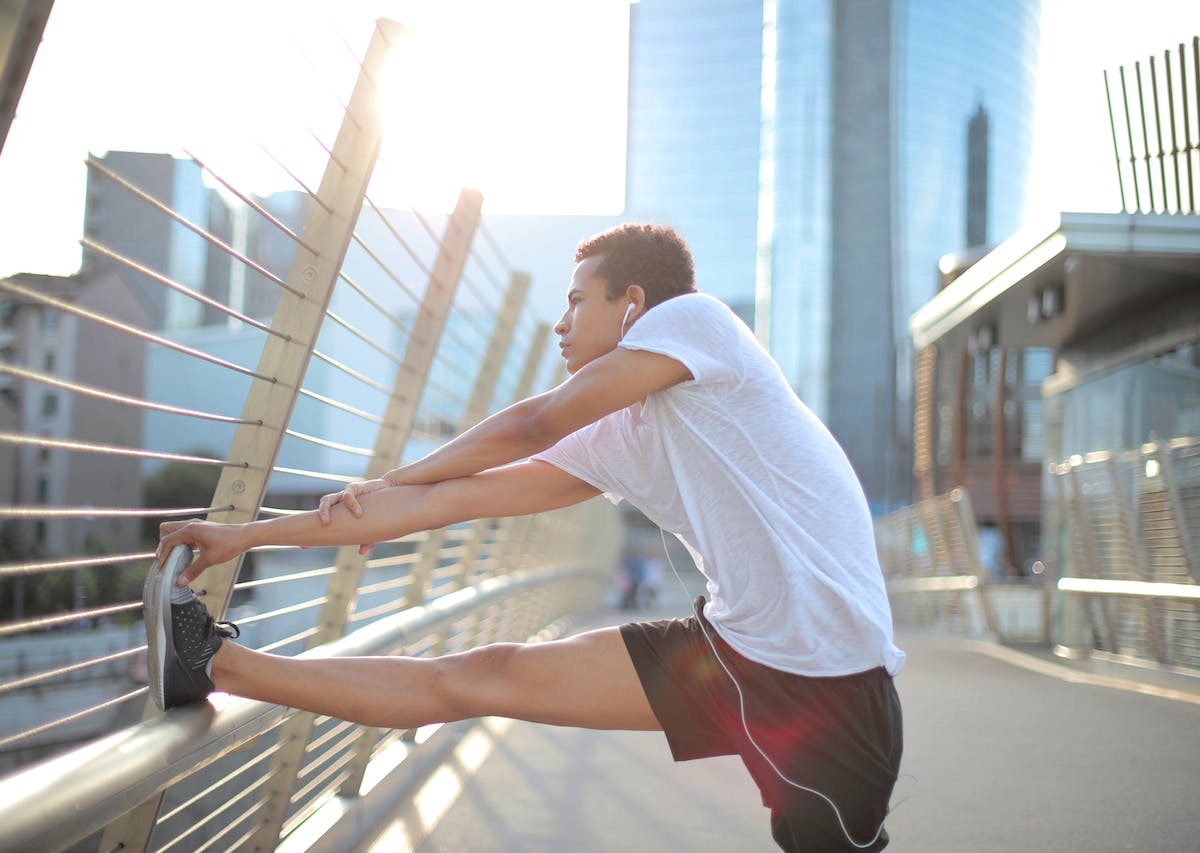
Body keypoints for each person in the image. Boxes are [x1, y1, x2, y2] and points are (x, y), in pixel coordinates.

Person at [149, 224, 904, 851]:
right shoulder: (621, 434)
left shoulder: (694, 319)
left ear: (634, 306)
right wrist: (243, 535)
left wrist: (390, 478)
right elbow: (443, 504)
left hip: (827, 680)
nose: (561, 322)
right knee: (478, 674)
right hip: (734, 650)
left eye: (578, 301)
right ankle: (218, 663)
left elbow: (534, 423)